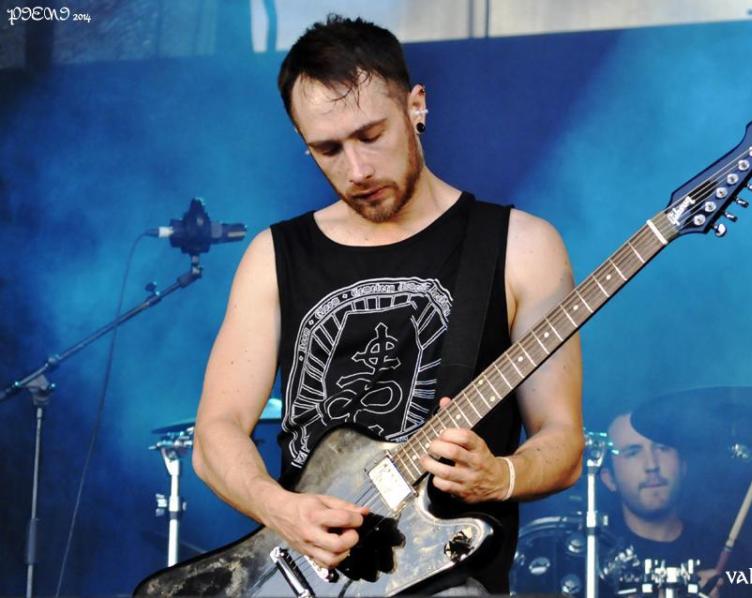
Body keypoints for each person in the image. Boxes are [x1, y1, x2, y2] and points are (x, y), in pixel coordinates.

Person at [190, 14, 584, 595]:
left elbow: (563, 440)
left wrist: (500, 475)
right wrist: (280, 509)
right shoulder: (275, 255)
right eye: (328, 149)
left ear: (415, 106)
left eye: (371, 135)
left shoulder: (521, 247)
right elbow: (215, 434)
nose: (357, 170)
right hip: (307, 577)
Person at [600, 413, 727, 596]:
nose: (652, 465)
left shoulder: (725, 554)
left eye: (662, 448)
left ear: (683, 465)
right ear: (609, 479)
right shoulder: (588, 557)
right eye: (633, 453)